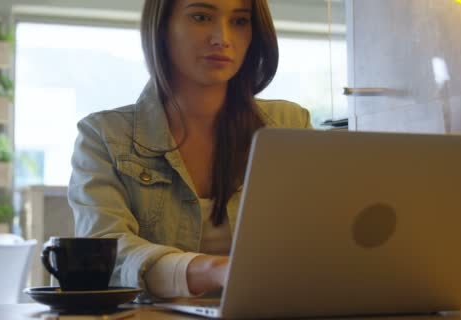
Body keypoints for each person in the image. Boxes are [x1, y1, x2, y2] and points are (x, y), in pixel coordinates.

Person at [68, 0, 312, 299]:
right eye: (201, 17)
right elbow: (105, 250)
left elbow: (322, 237)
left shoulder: (290, 125)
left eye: (239, 22)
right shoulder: (104, 136)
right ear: (162, 28)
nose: (222, 38)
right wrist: (211, 270)